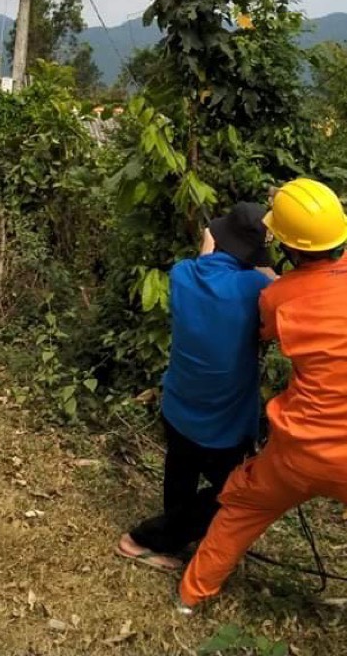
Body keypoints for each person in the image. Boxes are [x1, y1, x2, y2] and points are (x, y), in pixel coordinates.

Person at [177, 179, 347, 656]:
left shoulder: (279, 297)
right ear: (342, 228)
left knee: (240, 510)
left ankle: (190, 595)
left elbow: (266, 332)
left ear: (285, 244)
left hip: (298, 453)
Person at [117, 202, 274, 571]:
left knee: (180, 470)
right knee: (235, 493)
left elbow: (206, 263)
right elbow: (278, 285)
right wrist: (257, 255)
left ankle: (170, 540)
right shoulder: (256, 287)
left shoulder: (182, 274)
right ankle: (149, 539)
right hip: (224, 423)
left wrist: (217, 241)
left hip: (179, 406)